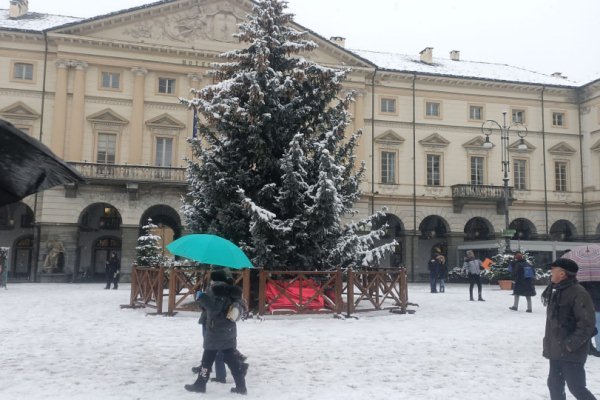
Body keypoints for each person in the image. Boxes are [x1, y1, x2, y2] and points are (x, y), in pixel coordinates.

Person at [185, 268, 248, 395]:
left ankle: (200, 385)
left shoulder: (216, 291)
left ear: (215, 280)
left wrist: (202, 297)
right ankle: (241, 387)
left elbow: (213, 310)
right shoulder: (233, 291)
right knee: (231, 360)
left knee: (207, 359)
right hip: (229, 330)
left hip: (215, 330)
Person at [542, 258, 597, 400]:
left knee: (577, 388)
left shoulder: (578, 293)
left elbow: (587, 325)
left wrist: (569, 345)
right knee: (554, 386)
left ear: (562, 274)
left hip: (570, 352)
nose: (550, 273)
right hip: (556, 351)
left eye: (553, 270)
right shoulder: (557, 291)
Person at [580, 281, 600, 357]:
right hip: (597, 306)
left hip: (586, 306)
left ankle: (588, 347)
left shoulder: (582, 281)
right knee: (598, 327)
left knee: (587, 327)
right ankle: (598, 348)